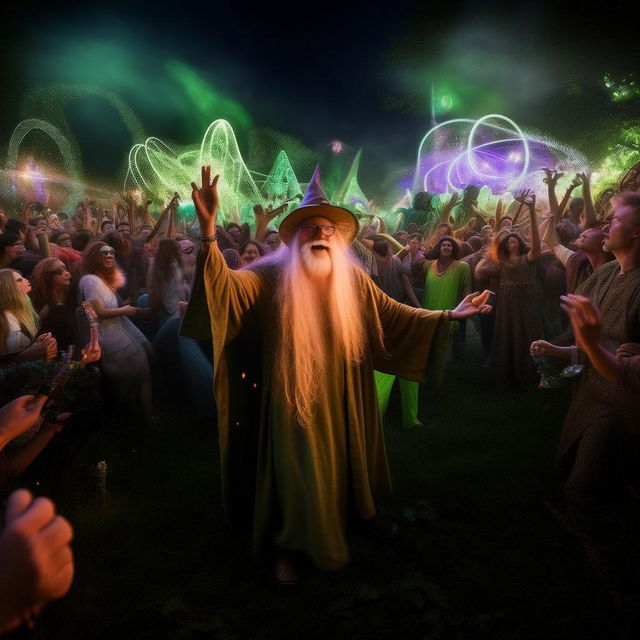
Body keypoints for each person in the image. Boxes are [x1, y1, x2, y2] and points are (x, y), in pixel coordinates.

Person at [182, 166, 491, 583]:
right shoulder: (268, 276)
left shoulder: (354, 280)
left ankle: (355, 514)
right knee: (294, 468)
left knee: (349, 455)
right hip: (290, 395)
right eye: (311, 228)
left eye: (327, 229)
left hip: (346, 391)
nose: (320, 235)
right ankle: (289, 542)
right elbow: (225, 292)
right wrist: (209, 231)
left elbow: (394, 315)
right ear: (295, 238)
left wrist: (449, 314)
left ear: (339, 238)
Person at [553, 190, 640, 528]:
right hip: (589, 386)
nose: (605, 228)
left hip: (618, 398)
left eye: (615, 221)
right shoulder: (604, 274)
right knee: (577, 462)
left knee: (582, 485)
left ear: (635, 232)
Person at [78, 242, 152, 421]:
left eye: (112, 252)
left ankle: (146, 420)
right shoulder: (90, 280)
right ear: (95, 256)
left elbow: (117, 305)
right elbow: (97, 312)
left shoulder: (104, 281)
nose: (110, 255)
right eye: (104, 252)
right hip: (111, 342)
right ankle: (126, 424)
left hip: (122, 336)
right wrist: (127, 311)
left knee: (143, 375)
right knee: (123, 385)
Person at [477, 190, 543, 388]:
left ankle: (531, 372)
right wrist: (492, 246)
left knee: (527, 331)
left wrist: (531, 209)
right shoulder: (501, 262)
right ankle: (508, 373)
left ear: (520, 243)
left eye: (513, 239)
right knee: (508, 333)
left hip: (526, 299)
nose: (510, 240)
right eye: (507, 241)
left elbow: (537, 245)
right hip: (506, 301)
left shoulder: (527, 259)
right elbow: (479, 272)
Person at [0, 269, 57, 364]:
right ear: (8, 288)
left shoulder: (19, 313)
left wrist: (35, 343)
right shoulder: (6, 320)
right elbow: (8, 362)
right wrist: (32, 351)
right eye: (19, 280)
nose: (26, 280)